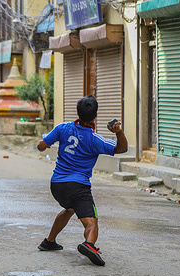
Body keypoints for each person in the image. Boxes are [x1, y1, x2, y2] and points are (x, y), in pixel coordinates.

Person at [36, 95, 127, 266]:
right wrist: (119, 132)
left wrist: (46, 144)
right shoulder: (94, 139)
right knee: (91, 222)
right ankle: (89, 244)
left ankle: (49, 241)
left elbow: (41, 145)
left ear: (77, 112)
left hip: (57, 185)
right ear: (95, 116)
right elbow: (121, 149)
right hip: (78, 187)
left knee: (69, 209)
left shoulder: (63, 128)